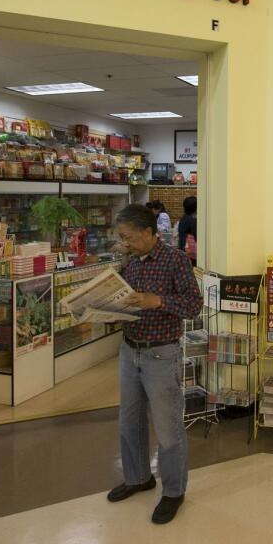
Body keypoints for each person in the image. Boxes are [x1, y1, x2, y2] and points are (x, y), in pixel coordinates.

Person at [106, 204, 202, 524]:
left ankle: (173, 491)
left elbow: (193, 305)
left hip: (161, 354)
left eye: (129, 237)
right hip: (129, 350)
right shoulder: (130, 262)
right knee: (129, 421)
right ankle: (138, 477)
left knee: (168, 427)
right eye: (122, 238)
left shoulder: (174, 260)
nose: (125, 243)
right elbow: (121, 298)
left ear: (148, 232)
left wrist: (157, 300)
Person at [176, 196, 197, 264]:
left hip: (183, 249)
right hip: (190, 252)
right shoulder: (192, 220)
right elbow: (196, 237)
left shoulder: (184, 218)